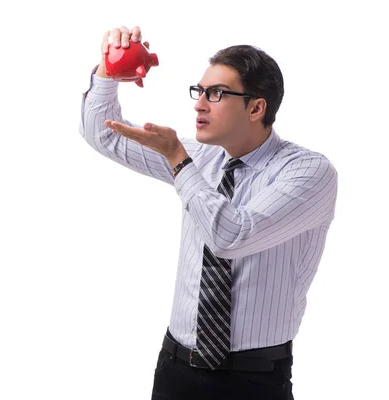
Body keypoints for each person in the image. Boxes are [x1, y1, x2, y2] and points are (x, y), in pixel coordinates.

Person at [79, 26, 338, 400]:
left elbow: (232, 236)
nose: (199, 104)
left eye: (215, 94)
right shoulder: (200, 157)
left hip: (254, 380)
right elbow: (103, 135)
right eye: (199, 92)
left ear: (256, 107)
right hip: (175, 369)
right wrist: (107, 72)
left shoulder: (308, 172)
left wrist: (178, 162)